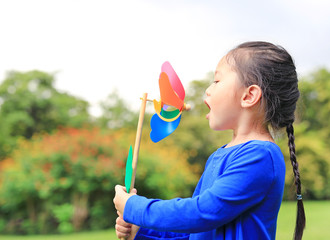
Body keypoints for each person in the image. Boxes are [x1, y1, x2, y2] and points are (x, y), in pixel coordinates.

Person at [113, 41, 306, 240]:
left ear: (249, 96)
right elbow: (195, 232)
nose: (208, 90)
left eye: (216, 81)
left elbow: (202, 213)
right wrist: (141, 231)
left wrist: (134, 207)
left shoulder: (260, 156)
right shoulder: (219, 155)